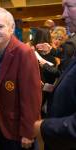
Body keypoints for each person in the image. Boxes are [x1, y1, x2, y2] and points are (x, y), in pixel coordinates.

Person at [0, 7, 42, 150]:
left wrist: (28, 132)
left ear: (11, 28)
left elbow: (31, 96)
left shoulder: (24, 52)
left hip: (16, 129)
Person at [34, 0, 76, 149]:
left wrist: (43, 127)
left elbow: (61, 70)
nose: (64, 14)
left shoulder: (71, 43)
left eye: (69, 6)